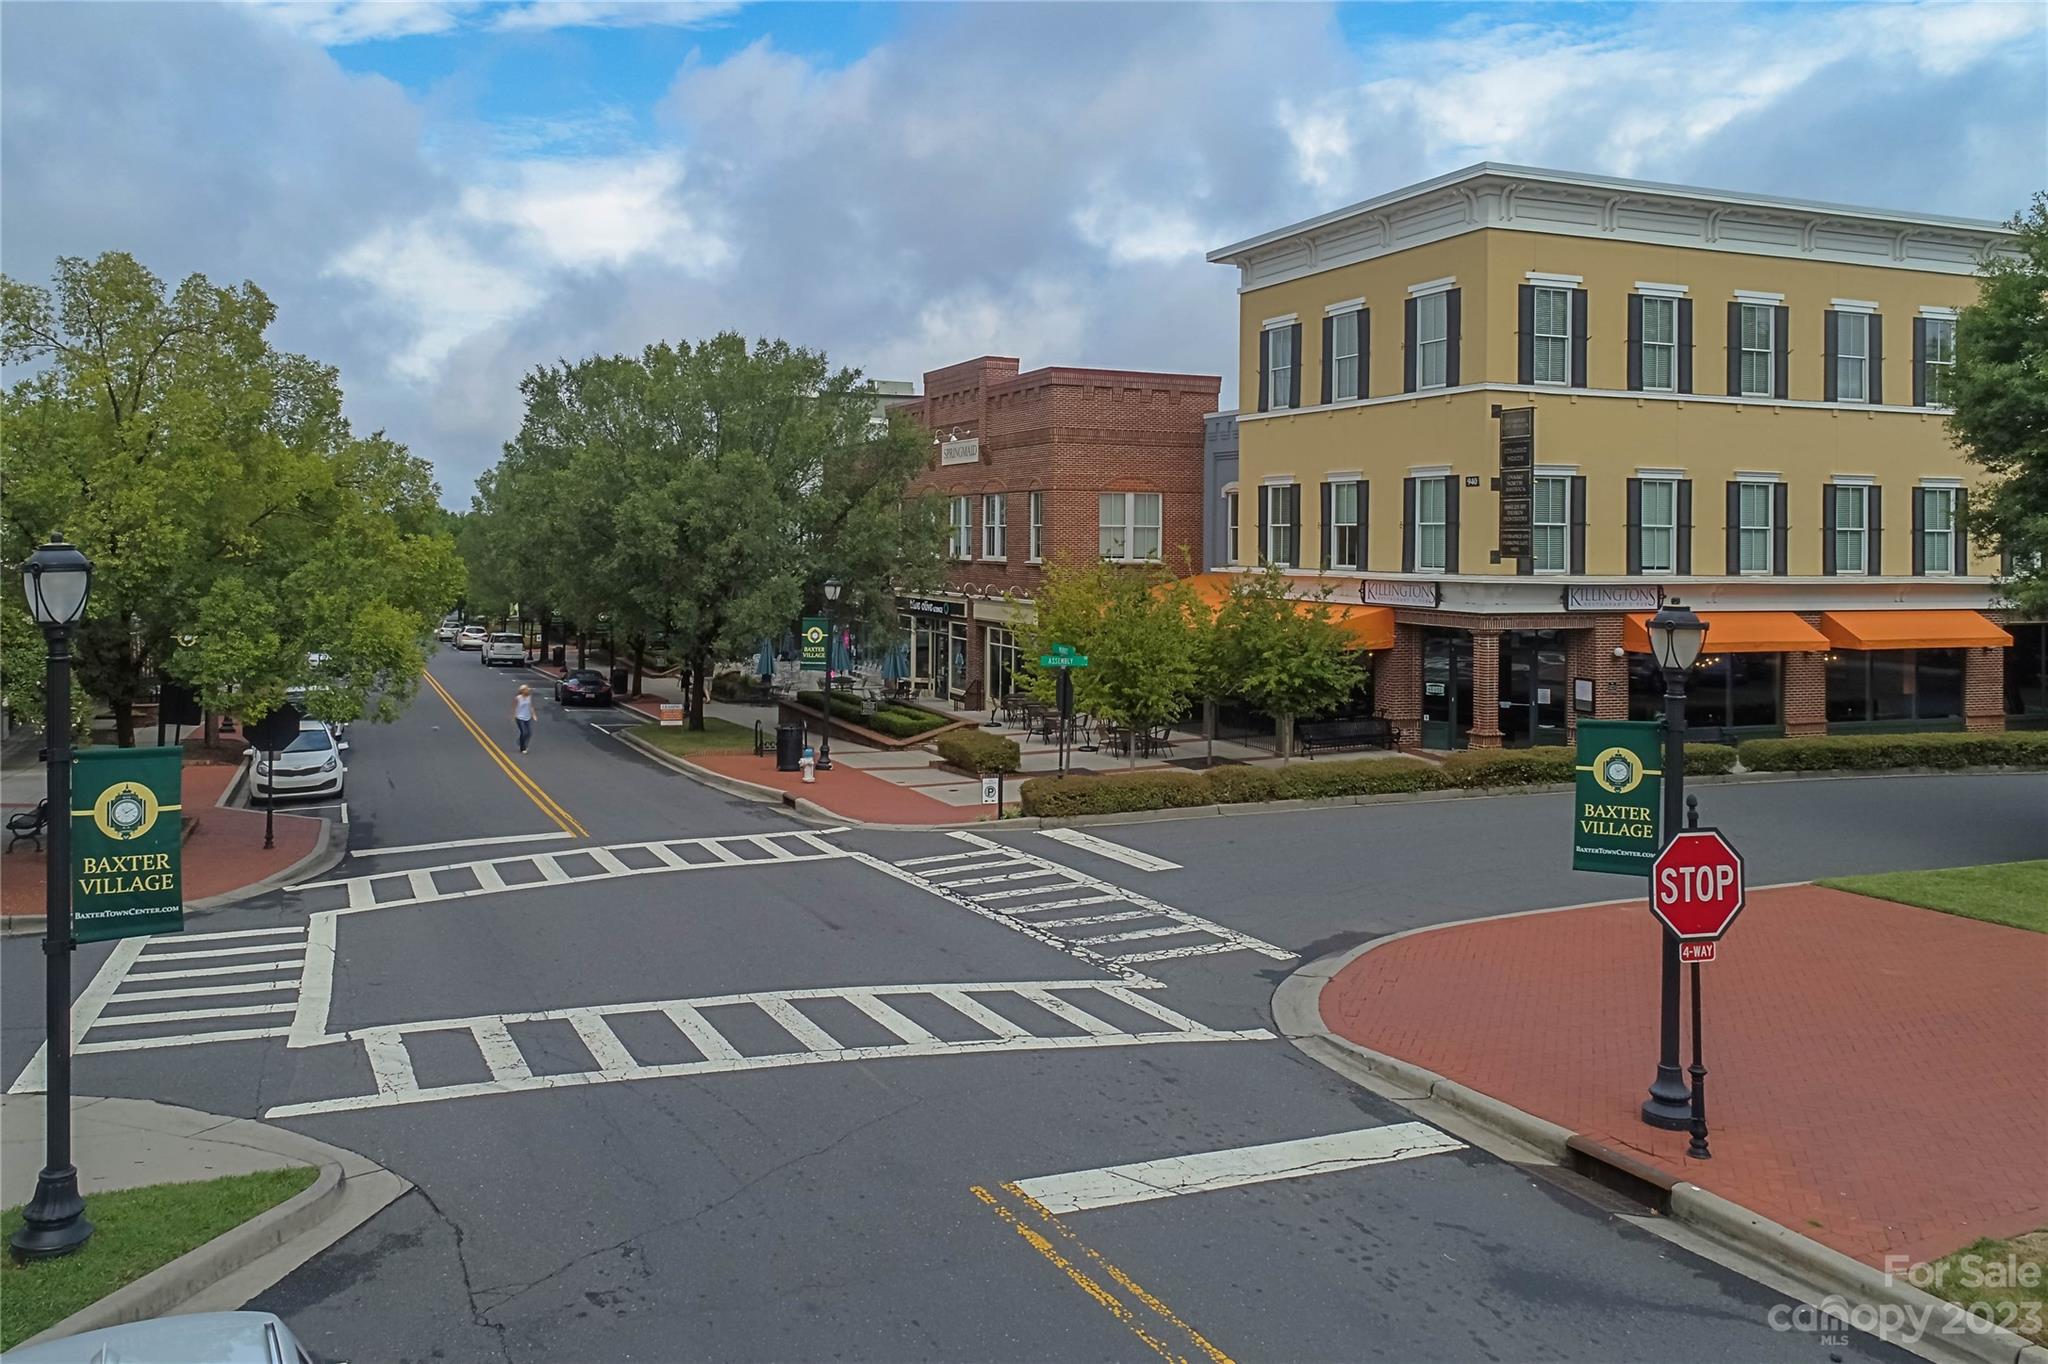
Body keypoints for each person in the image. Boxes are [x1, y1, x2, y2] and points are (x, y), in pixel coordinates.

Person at [513, 684, 534, 755]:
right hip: (519, 718)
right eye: (526, 689)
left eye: (528, 689)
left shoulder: (529, 697)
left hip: (527, 717)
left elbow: (531, 706)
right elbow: (514, 707)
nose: (527, 690)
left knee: (529, 733)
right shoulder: (518, 698)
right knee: (524, 732)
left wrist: (533, 714)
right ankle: (523, 748)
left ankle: (520, 741)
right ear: (522, 691)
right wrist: (514, 716)